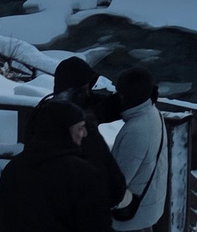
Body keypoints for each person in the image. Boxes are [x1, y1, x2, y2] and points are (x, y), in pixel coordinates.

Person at [0, 99, 115, 232]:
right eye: (79, 128)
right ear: (64, 131)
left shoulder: (15, 167)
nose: (84, 133)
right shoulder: (84, 174)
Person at [31, 56, 126, 211]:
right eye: (84, 89)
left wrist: (132, 95)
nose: (88, 93)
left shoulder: (60, 109)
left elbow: (101, 106)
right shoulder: (59, 122)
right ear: (73, 91)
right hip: (69, 202)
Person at [109, 69, 169, 232]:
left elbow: (118, 182)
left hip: (131, 219)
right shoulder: (152, 112)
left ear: (129, 96)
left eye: (120, 93)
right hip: (146, 208)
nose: (117, 97)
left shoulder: (136, 130)